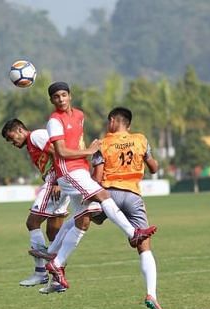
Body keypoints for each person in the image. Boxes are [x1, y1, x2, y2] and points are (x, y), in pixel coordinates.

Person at [42, 81, 157, 291]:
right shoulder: (54, 121)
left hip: (81, 169)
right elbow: (62, 152)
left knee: (82, 220)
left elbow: (80, 144)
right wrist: (89, 152)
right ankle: (133, 234)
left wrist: (90, 155)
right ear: (52, 100)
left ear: (70, 95)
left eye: (63, 95)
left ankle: (53, 261)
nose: (60, 99)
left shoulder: (79, 115)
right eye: (56, 97)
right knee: (102, 197)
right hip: (69, 170)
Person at [91, 107, 164, 309]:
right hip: (133, 196)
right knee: (145, 248)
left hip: (109, 196)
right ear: (129, 125)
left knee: (82, 218)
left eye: (108, 122)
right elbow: (154, 167)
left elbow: (97, 178)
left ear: (113, 121)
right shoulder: (141, 139)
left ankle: (57, 260)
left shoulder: (102, 144)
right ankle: (152, 295)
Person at [0, 118, 70, 287]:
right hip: (63, 179)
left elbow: (58, 152)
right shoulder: (33, 142)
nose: (12, 143)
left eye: (12, 138)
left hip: (58, 179)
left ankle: (40, 274)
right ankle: (58, 279)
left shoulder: (35, 136)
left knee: (32, 222)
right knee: (54, 233)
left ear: (19, 130)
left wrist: (56, 182)